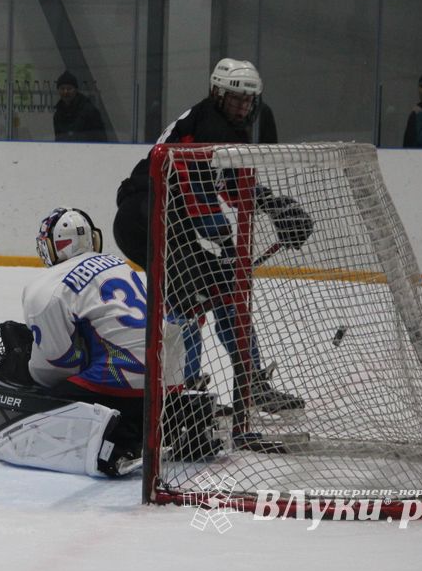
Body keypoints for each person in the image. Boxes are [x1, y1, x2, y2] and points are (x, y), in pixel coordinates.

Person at [112, 58, 312, 415]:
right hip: (144, 216)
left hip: (170, 219)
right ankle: (184, 390)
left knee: (224, 291)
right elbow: (196, 191)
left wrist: (274, 205)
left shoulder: (224, 128)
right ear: (217, 93)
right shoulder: (208, 126)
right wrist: (224, 243)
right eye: (235, 98)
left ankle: (246, 384)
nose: (242, 106)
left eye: (247, 100)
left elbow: (232, 187)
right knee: (189, 296)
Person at [0, 207, 148, 478]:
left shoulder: (46, 286)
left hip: (119, 386)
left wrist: (28, 380)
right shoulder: (120, 265)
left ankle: (121, 437)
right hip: (162, 386)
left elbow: (56, 365)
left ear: (52, 246)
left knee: (47, 393)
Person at [52, 71, 107, 142]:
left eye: (69, 89)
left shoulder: (89, 111)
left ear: (76, 90)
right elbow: (59, 138)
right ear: (58, 90)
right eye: (62, 88)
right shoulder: (58, 114)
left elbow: (101, 138)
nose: (65, 92)